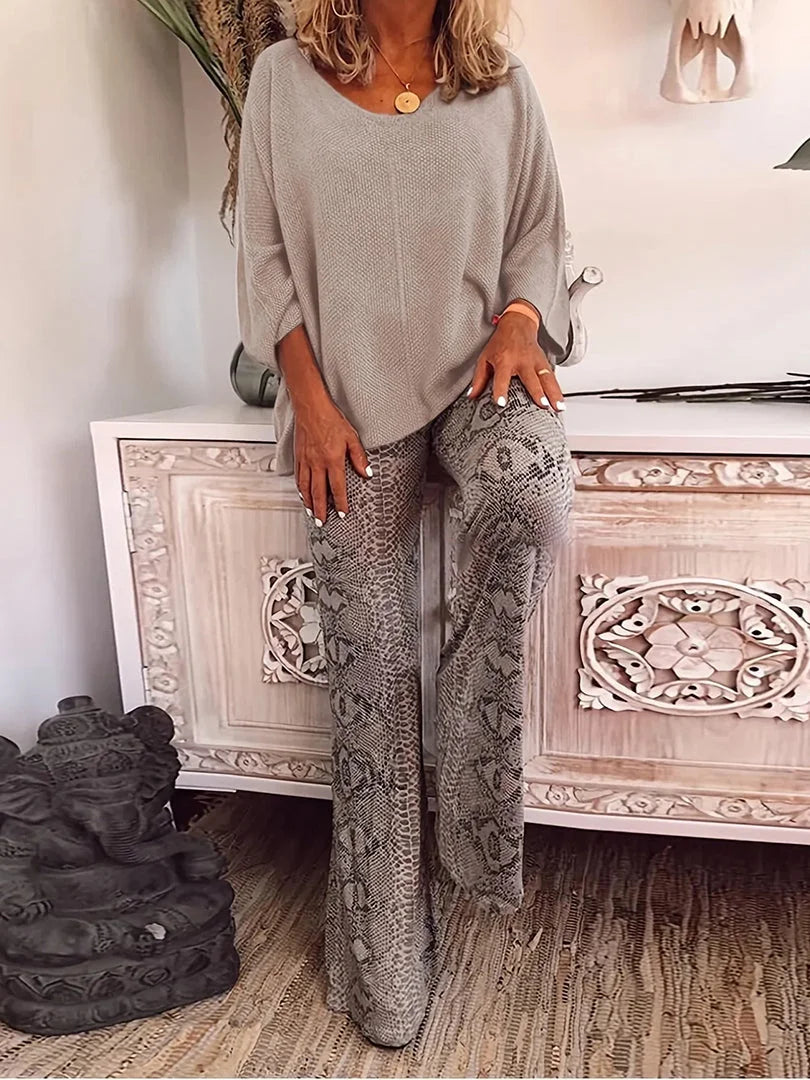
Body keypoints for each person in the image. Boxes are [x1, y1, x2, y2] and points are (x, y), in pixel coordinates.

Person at [236, 0, 574, 1047]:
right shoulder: (282, 80)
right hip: (344, 399)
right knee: (372, 671)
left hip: (481, 378)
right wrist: (310, 404)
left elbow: (539, 234)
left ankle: (470, 784)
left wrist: (521, 322)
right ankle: (384, 952)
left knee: (527, 494)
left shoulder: (503, 86)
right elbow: (263, 257)